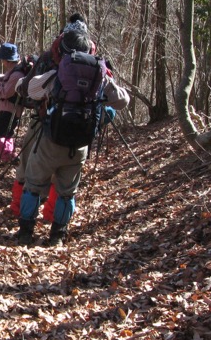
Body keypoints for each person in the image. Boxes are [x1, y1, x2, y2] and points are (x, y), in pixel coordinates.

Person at [16, 26, 129, 246]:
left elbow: (31, 91)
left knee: (33, 185)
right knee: (67, 192)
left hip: (51, 141)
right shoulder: (99, 76)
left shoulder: (58, 74)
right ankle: (57, 236)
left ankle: (25, 234)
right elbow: (122, 101)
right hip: (79, 146)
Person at [0, 42, 26, 162]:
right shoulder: (14, 71)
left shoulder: (17, 74)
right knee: (7, 134)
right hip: (10, 109)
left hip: (11, 110)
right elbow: (6, 79)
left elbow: (5, 93)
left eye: (3, 59)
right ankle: (7, 156)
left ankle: (8, 156)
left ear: (8, 60)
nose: (2, 62)